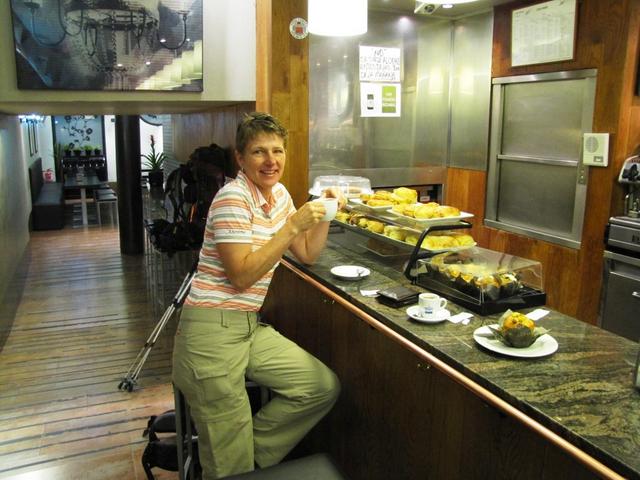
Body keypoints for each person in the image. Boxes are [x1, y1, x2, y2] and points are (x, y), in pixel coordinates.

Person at [172, 112, 342, 479]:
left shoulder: (279, 195)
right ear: (240, 158)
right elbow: (242, 276)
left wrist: (325, 213)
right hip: (210, 333)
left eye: (277, 151)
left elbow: (307, 253)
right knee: (228, 464)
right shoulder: (233, 199)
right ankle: (235, 464)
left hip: (248, 326)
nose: (271, 161)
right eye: (259, 152)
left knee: (319, 387)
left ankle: (246, 458)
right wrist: (293, 225)